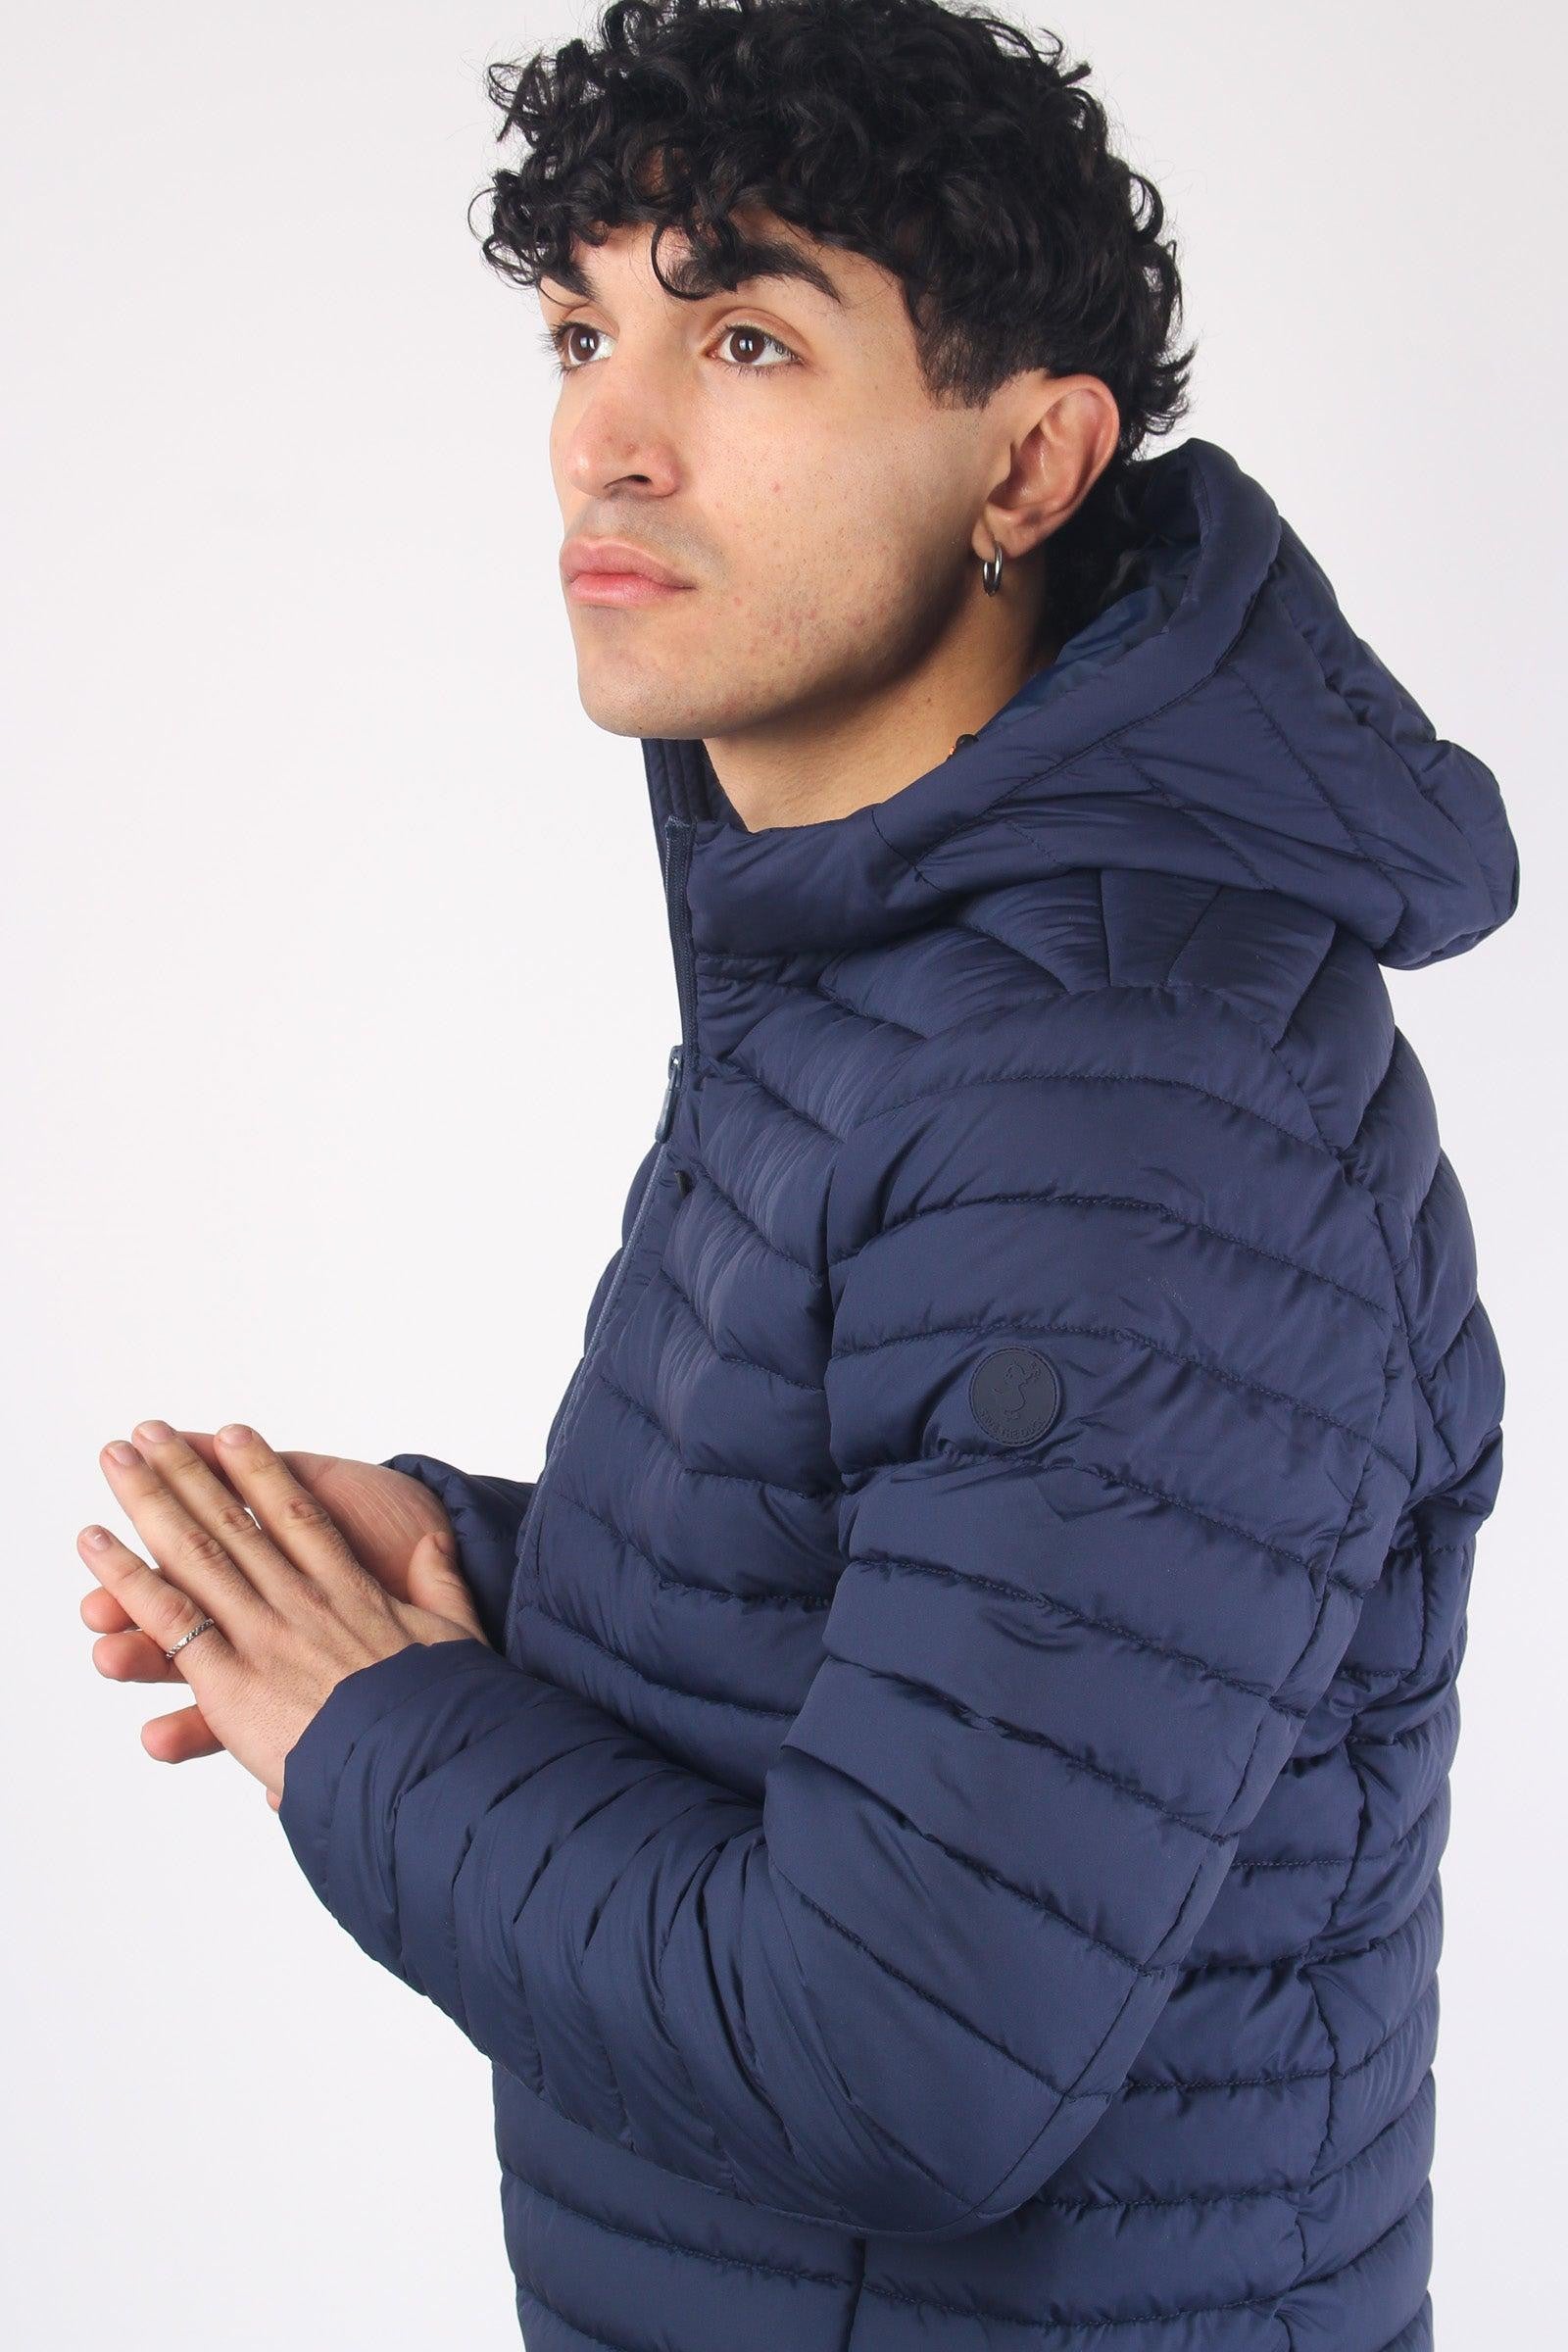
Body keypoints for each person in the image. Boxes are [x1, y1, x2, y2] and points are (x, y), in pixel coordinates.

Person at [79, 5, 1518, 2345]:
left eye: (741, 336)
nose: (601, 437)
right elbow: (921, 1642)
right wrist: (479, 1577)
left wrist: (369, 1732)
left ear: (1026, 462)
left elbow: (896, 2064)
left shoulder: (1117, 1107)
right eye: (581, 331)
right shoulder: (888, 962)